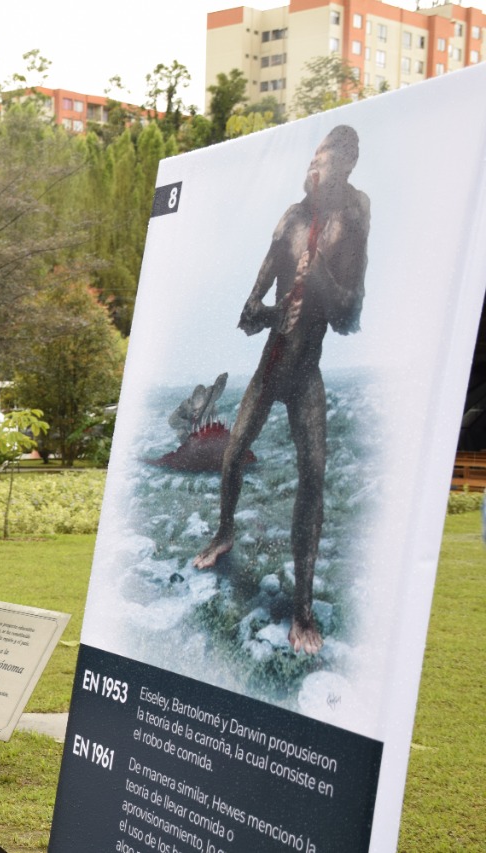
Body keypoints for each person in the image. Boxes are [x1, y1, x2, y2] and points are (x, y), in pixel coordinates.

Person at [193, 126, 370, 655]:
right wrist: (272, 310)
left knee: (312, 475)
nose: (313, 172)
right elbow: (248, 315)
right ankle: (225, 532)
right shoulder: (292, 221)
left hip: (307, 371)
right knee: (231, 455)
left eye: (324, 166)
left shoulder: (354, 221)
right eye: (312, 162)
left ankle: (303, 611)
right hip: (272, 363)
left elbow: (350, 316)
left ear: (344, 172)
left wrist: (318, 282)